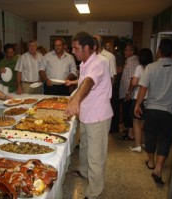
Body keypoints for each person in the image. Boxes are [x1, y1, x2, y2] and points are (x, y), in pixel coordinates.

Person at [65, 32, 113, 199]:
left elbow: (89, 82)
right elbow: (81, 84)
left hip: (98, 116)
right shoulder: (85, 63)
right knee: (84, 146)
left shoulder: (99, 62)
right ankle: (84, 172)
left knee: (96, 156)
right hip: (87, 114)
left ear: (87, 48)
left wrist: (75, 100)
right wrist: (72, 99)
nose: (73, 51)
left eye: (76, 48)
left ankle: (94, 192)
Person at [134, 39, 172, 186]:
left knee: (150, 135)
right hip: (169, 110)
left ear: (159, 50)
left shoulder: (150, 67)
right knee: (165, 138)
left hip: (152, 109)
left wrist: (138, 104)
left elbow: (143, 88)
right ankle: (159, 167)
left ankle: (151, 162)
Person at [129, 48, 153, 152]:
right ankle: (143, 142)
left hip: (139, 98)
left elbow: (134, 83)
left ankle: (137, 145)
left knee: (136, 121)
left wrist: (142, 83)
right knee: (144, 122)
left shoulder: (139, 68)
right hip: (150, 99)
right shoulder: (154, 67)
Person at [119, 44, 139, 140]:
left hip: (129, 94)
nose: (124, 51)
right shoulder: (130, 61)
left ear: (132, 52)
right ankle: (129, 132)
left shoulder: (132, 62)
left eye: (126, 50)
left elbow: (132, 79)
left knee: (128, 113)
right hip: (127, 92)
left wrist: (128, 92)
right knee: (126, 113)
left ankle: (130, 134)